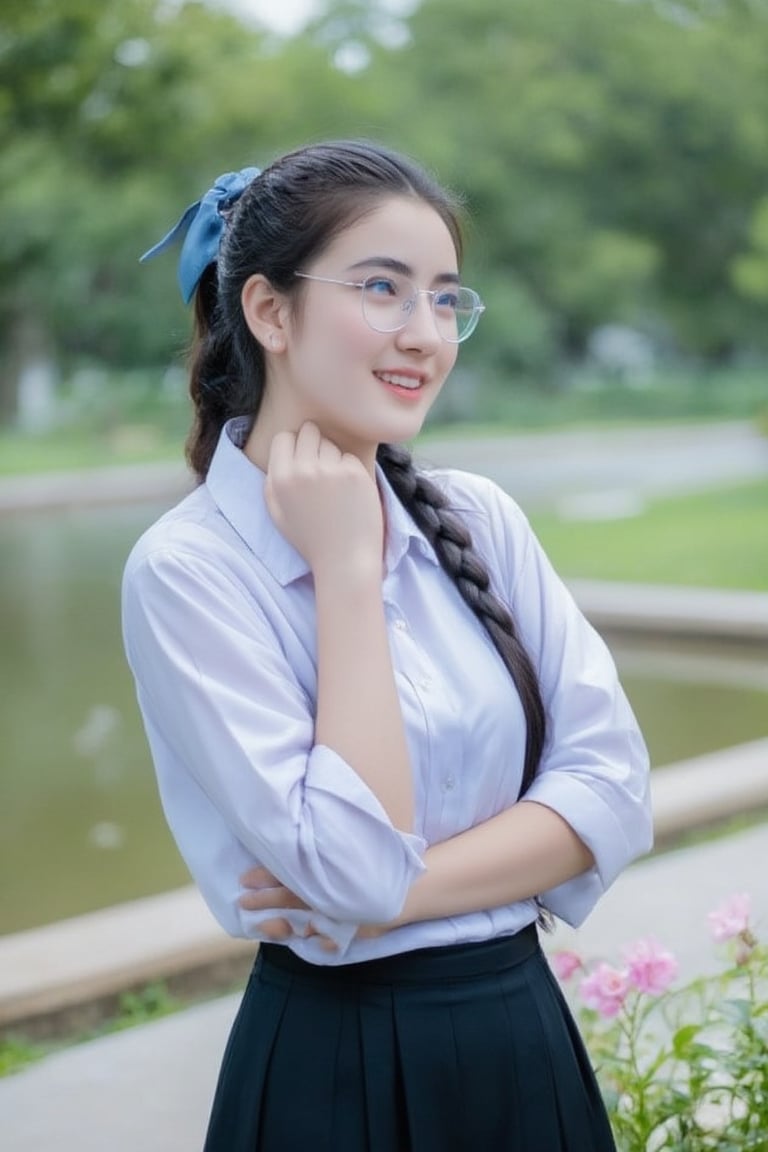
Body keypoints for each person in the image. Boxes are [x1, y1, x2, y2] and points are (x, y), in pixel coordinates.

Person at [122, 139, 653, 1152]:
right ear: (269, 312)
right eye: (383, 289)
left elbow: (614, 788)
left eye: (447, 300)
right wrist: (346, 573)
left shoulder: (480, 518)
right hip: (337, 1067)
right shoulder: (188, 572)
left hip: (521, 1035)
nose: (426, 335)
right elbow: (352, 869)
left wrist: (380, 895)